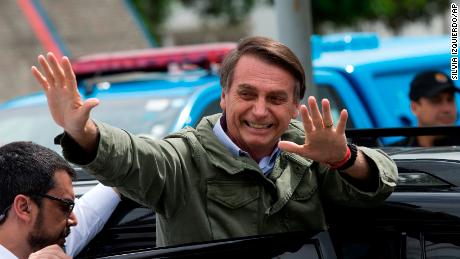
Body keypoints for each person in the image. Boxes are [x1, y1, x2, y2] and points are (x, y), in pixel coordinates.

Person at [31, 36, 398, 247]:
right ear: (223, 96)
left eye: (275, 99)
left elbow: (384, 183)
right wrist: (84, 132)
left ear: (295, 107)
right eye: (247, 94)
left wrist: (344, 158)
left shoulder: (310, 151)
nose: (259, 111)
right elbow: (133, 158)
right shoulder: (183, 158)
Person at [0, 141, 121, 258]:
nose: (74, 220)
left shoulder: (50, 243)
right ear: (24, 207)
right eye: (65, 206)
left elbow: (119, 179)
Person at [393, 70, 460, 146]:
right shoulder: (393, 154)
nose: (447, 109)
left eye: (450, 99)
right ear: (414, 107)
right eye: (436, 100)